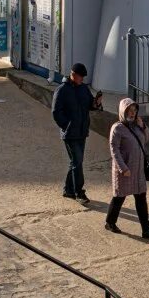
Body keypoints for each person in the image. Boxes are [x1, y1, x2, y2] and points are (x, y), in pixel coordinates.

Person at [106, 98, 149, 239]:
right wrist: (123, 168)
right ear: (123, 111)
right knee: (119, 197)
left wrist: (143, 126)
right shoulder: (117, 128)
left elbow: (145, 139)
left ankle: (146, 230)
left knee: (141, 199)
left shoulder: (136, 126)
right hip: (125, 170)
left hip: (138, 169)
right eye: (129, 110)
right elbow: (114, 150)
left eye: (134, 110)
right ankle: (110, 222)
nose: (132, 113)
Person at [51, 62, 101, 202]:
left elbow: (90, 104)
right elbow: (56, 112)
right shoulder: (61, 90)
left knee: (75, 162)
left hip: (82, 131)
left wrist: (96, 103)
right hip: (70, 134)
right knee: (77, 161)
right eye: (80, 77)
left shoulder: (83, 89)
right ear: (73, 75)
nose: (82, 80)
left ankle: (68, 190)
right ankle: (79, 192)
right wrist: (66, 126)